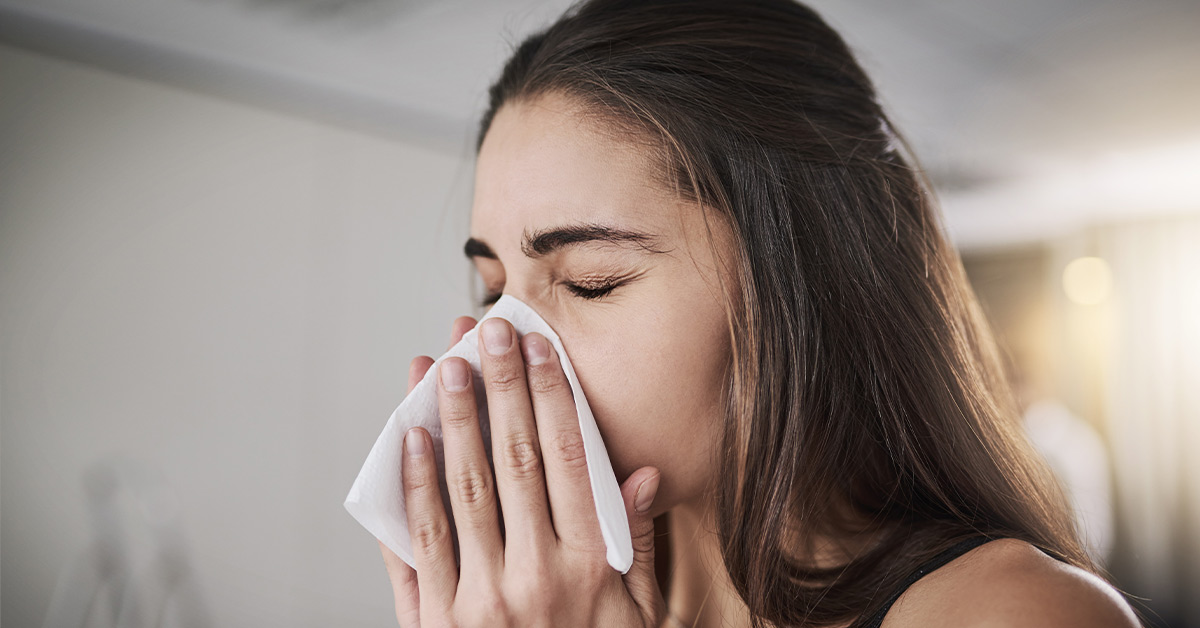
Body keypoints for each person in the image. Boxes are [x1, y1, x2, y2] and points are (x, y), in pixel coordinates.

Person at [376, 0, 1144, 626]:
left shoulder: (1012, 614)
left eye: (590, 281)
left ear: (801, 281)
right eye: (492, 289)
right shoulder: (525, 600)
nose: (498, 346)